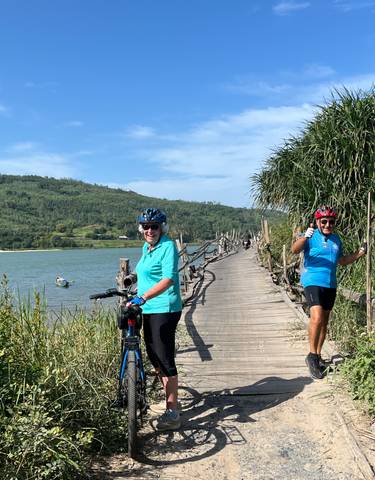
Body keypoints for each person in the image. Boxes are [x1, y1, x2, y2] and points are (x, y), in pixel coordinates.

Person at [291, 206, 367, 380]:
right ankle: (311, 355)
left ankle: (317, 356)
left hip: (330, 284)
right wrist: (305, 236)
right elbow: (295, 250)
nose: (327, 224)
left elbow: (342, 261)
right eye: (323, 221)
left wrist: (359, 254)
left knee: (324, 322)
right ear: (317, 221)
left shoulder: (336, 239)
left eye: (331, 222)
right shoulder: (310, 236)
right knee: (316, 317)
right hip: (312, 281)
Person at [126, 208, 182, 430]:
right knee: (154, 357)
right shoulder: (147, 247)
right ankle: (170, 400)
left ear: (162, 228)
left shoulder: (168, 246)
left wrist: (144, 297)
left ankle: (173, 413)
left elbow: (168, 279)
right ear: (142, 229)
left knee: (165, 358)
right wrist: (136, 291)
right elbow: (148, 276)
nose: (150, 230)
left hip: (165, 307)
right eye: (146, 226)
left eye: (154, 226)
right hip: (148, 307)